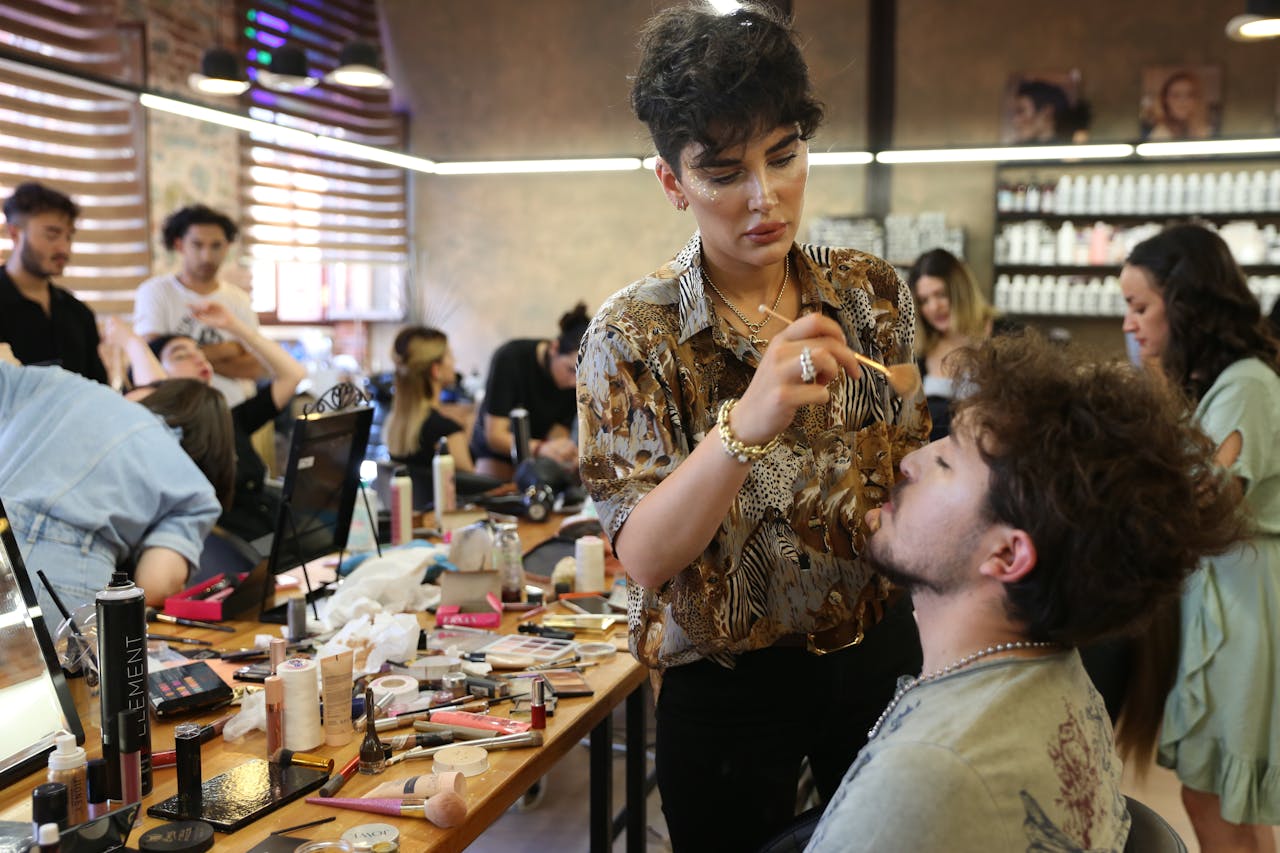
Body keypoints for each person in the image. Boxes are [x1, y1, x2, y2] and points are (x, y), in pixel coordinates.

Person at [576, 6, 929, 850]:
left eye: (785, 157)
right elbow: (647, 556)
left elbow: (904, 465)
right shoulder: (633, 334)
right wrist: (744, 425)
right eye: (725, 171)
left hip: (877, 657)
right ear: (673, 182)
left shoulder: (869, 291)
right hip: (729, 692)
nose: (764, 198)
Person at [804, 331, 1244, 852]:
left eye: (946, 463)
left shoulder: (927, 771)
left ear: (1008, 556)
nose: (910, 462)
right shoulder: (1064, 675)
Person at [1120, 223, 1280, 851]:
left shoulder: (1244, 385)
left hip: (1239, 599)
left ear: (1184, 304)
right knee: (1228, 800)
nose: (1130, 325)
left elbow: (1203, 508)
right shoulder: (1229, 382)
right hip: (1229, 589)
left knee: (1210, 792)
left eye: (1140, 307)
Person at [0, 356, 233, 623]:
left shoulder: (56, 382)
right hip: (67, 587)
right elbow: (155, 585)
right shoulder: (194, 486)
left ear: (153, 393)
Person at [111, 301, 305, 542]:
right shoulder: (165, 433)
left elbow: (293, 374)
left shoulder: (231, 419)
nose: (199, 360)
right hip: (227, 552)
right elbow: (159, 397)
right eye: (182, 355)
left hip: (274, 531)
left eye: (200, 354)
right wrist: (133, 343)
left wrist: (235, 327)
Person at [133, 204, 264, 406]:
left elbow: (255, 367)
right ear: (179, 245)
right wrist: (230, 350)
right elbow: (152, 358)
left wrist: (183, 359)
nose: (207, 256)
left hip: (236, 411)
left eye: (216, 246)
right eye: (197, 245)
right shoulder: (155, 292)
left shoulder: (239, 299)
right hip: (178, 412)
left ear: (227, 247)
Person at [0, 182, 107, 383]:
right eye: (52, 235)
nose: (64, 249)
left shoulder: (79, 314)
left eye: (68, 237)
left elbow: (98, 391)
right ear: (15, 233)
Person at [468, 302, 586, 481]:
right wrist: (541, 448)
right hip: (497, 453)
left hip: (537, 453)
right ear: (554, 348)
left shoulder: (575, 380)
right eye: (570, 370)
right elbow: (495, 436)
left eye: (580, 375)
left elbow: (558, 432)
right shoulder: (510, 358)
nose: (574, 382)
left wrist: (561, 450)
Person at [907, 248, 1001, 442]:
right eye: (924, 300)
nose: (933, 307)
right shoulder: (920, 351)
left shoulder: (1004, 334)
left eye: (941, 294)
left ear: (961, 291)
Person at [384, 326, 475, 508]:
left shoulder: (395, 425)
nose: (454, 361)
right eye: (450, 356)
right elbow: (473, 487)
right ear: (436, 370)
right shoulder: (445, 432)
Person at [1146, 70, 1212, 141]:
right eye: (1176, 95)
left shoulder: (1208, 132)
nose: (1183, 101)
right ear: (1165, 100)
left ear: (1197, 99)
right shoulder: (1158, 135)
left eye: (1189, 95)